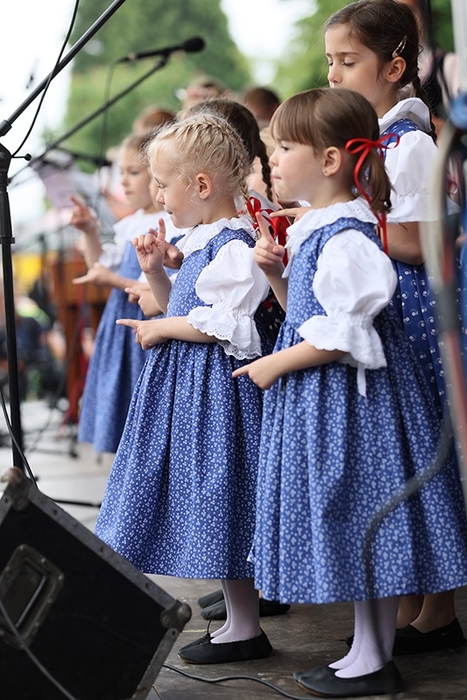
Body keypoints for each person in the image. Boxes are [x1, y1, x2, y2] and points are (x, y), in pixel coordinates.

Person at [234, 86, 467, 698]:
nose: (273, 159)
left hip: (354, 407)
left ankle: (374, 658)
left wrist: (274, 365)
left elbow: (343, 336)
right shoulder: (321, 229)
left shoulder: (347, 236)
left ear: (331, 160)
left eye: (285, 148)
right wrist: (278, 277)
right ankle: (365, 650)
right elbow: (309, 315)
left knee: (365, 522)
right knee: (352, 526)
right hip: (329, 401)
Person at [94, 112, 273, 664]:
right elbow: (187, 306)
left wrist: (161, 328)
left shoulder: (235, 245)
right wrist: (155, 273)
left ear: (200, 185)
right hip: (192, 390)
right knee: (208, 499)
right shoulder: (201, 241)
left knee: (224, 499)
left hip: (219, 396)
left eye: (162, 184)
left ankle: (246, 627)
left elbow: (226, 325)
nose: (157, 196)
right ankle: (239, 622)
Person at [323, 0, 466, 656]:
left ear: (394, 67)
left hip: (417, 313)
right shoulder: (374, 142)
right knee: (401, 454)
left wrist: (350, 223)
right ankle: (410, 605)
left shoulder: (408, 145)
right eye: (330, 62)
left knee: (430, 448)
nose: (333, 75)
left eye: (347, 61)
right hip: (391, 311)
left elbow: (425, 243)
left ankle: (439, 611)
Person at [69, 131, 173, 455]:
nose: (123, 181)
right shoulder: (132, 222)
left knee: (144, 402)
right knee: (121, 396)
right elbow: (100, 263)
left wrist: (112, 280)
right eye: (121, 173)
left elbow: (150, 286)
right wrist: (89, 231)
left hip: (145, 322)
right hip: (121, 327)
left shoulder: (165, 223)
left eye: (133, 172)